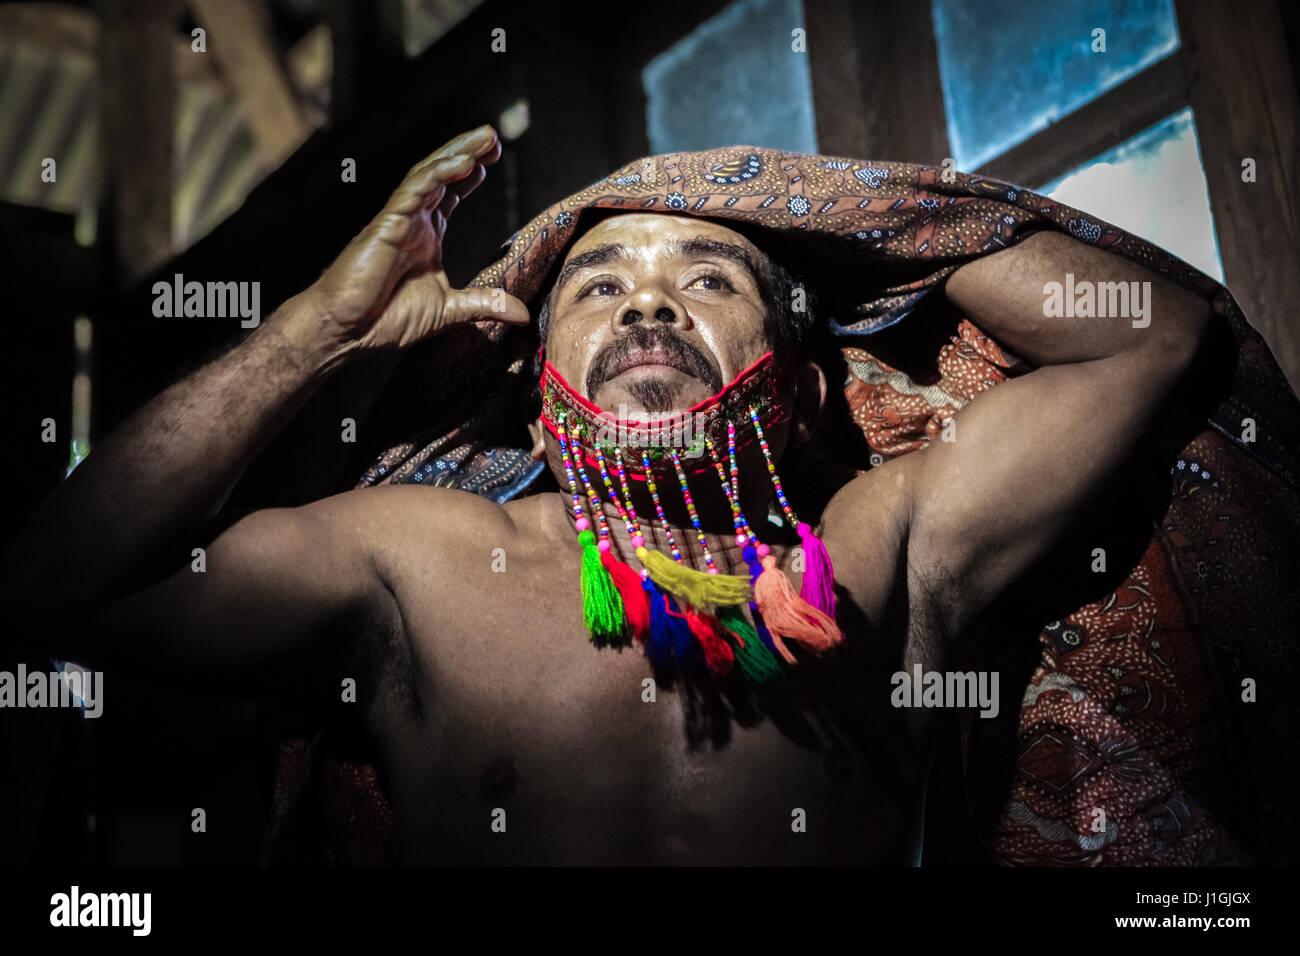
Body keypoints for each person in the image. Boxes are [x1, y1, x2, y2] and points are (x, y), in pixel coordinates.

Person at [4, 124, 1218, 865]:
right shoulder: (419, 559)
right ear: (535, 397)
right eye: (596, 286)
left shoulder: (886, 540)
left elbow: (1151, 337)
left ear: (798, 386)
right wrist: (321, 332)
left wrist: (857, 226)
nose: (648, 302)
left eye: (706, 274)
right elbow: (56, 592)